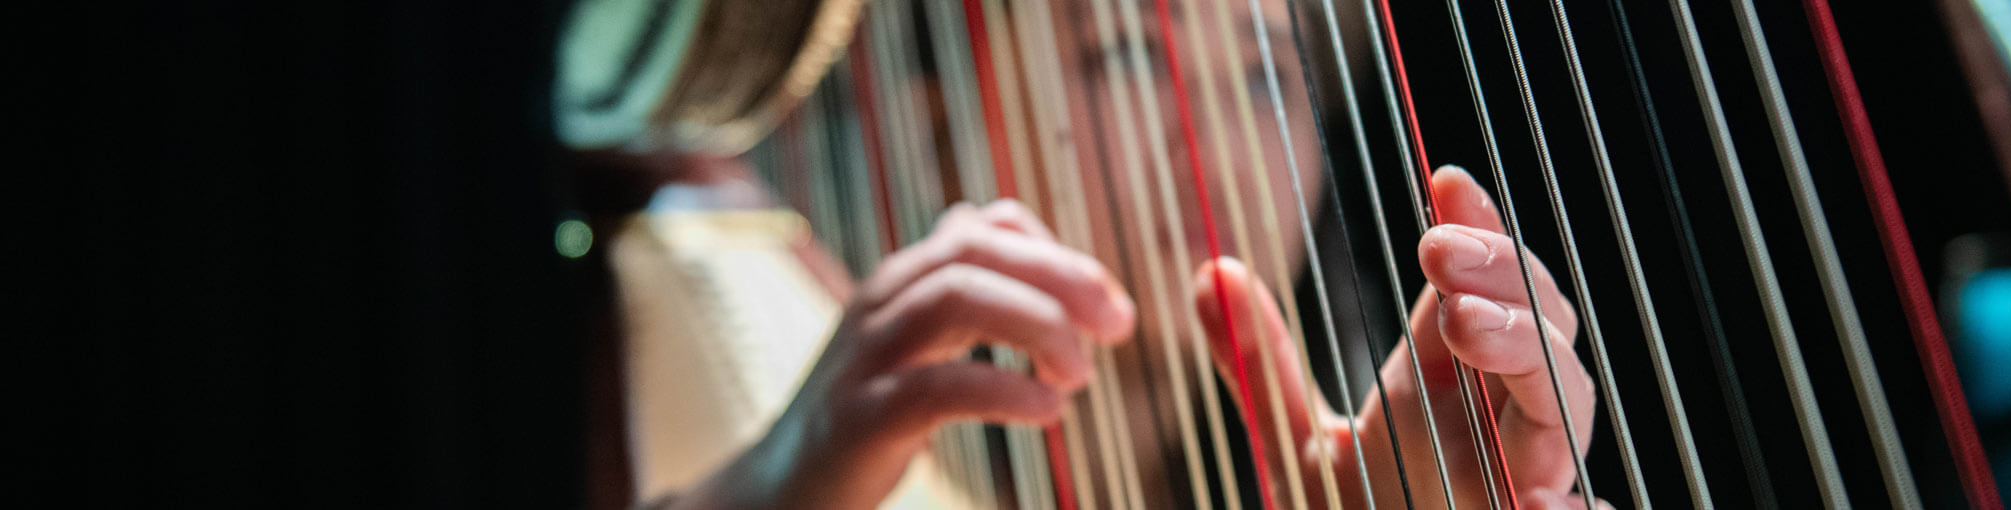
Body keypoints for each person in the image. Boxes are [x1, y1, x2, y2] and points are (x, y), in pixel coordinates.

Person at [556, 0, 1601, 508]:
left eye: (1266, 76)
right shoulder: (693, 325)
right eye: (1130, 58)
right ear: (933, 131)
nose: (1209, 147)